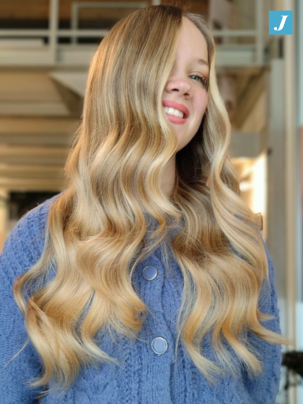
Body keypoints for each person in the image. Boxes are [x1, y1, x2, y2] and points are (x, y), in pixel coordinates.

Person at [0, 4, 290, 404]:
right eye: (163, 65)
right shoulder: (39, 237)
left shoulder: (236, 236)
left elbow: (261, 388)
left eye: (198, 75)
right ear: (119, 80)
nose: (185, 85)